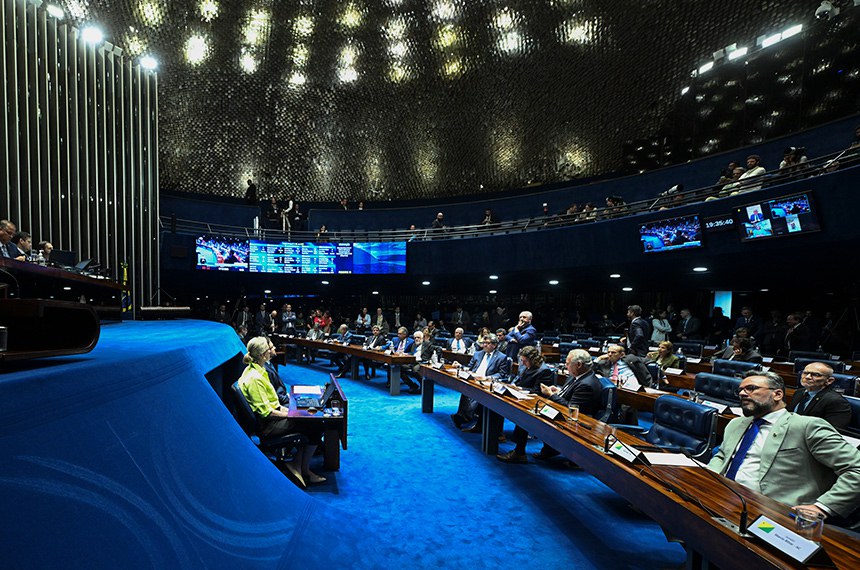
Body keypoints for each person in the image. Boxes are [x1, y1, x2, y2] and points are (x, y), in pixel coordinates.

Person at [708, 370, 860, 520]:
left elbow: (856, 468)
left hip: (771, 512)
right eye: (740, 390)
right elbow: (722, 455)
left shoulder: (806, 426)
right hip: (722, 496)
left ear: (777, 394)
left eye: (751, 388)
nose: (742, 393)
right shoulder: (737, 423)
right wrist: (709, 480)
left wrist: (823, 507)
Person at [238, 337, 326, 487]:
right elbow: (267, 413)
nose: (271, 351)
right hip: (268, 425)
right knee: (316, 425)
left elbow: (274, 404)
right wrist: (294, 414)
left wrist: (295, 410)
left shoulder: (258, 369)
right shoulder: (255, 378)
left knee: (312, 420)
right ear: (262, 355)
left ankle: (299, 466)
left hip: (273, 419)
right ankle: (302, 468)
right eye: (268, 349)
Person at [497, 349, 602, 463]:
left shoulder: (587, 384)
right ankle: (547, 449)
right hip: (563, 412)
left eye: (567, 363)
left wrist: (551, 395)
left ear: (579, 364)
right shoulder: (577, 376)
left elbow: (572, 408)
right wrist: (558, 391)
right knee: (528, 411)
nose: (565, 366)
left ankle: (519, 453)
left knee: (527, 416)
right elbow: (569, 395)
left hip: (576, 420)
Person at [451, 335, 511, 429]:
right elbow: (469, 368)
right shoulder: (477, 354)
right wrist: (460, 366)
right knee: (465, 391)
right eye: (483, 343)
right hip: (473, 380)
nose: (484, 345)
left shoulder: (501, 357)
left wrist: (488, 378)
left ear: (494, 345)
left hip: (487, 383)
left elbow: (502, 374)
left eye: (487, 343)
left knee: (475, 396)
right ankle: (462, 417)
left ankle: (465, 418)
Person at [787, 362, 851, 430]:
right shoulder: (799, 392)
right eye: (805, 373)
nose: (808, 377)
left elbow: (832, 431)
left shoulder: (836, 401)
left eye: (816, 375)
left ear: (829, 381)